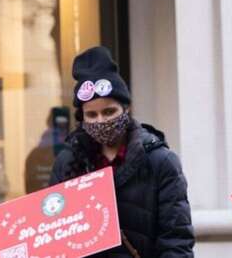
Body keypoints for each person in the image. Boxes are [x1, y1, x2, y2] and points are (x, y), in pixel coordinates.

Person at [50, 46, 194, 257]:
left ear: (126, 110)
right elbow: (54, 237)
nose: (101, 121)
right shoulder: (66, 162)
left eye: (109, 111)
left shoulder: (160, 162)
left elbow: (176, 241)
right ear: (83, 118)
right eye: (92, 114)